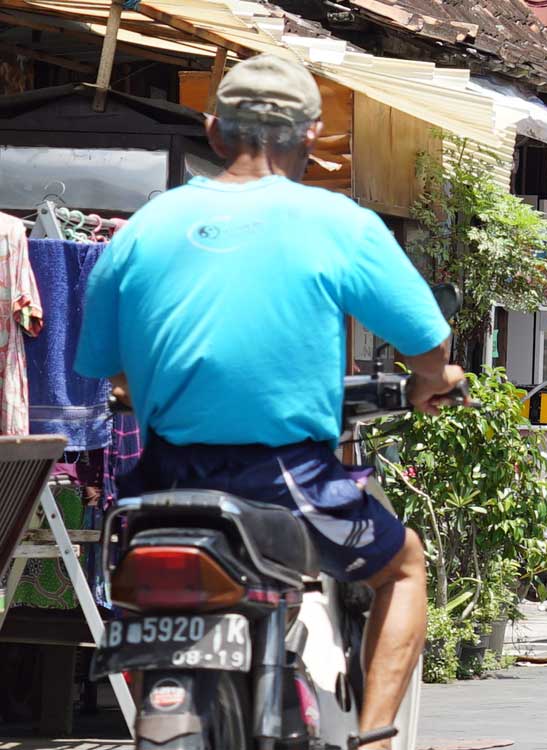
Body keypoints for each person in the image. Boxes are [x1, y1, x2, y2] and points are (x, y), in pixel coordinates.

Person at [74, 56, 465, 747]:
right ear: (312, 135)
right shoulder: (335, 220)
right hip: (285, 477)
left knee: (135, 593)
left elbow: (107, 375)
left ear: (212, 130)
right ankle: (374, 739)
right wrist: (435, 381)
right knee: (403, 566)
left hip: (162, 480)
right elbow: (427, 349)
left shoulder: (142, 227)